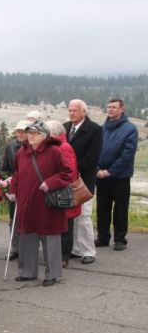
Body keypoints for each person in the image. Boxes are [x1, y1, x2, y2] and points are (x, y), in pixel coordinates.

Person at [7, 121, 72, 287]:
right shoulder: (22, 152)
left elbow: (67, 174)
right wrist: (13, 190)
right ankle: (27, 272)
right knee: (27, 237)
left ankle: (53, 274)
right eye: (29, 133)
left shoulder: (55, 151)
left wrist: (50, 182)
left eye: (35, 133)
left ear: (44, 136)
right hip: (27, 203)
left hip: (47, 203)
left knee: (50, 239)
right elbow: (17, 174)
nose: (31, 136)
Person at [95, 98, 138, 251]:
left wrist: (110, 171)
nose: (111, 110)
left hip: (120, 177)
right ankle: (103, 237)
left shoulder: (130, 129)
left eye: (114, 107)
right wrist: (98, 169)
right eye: (109, 107)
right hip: (101, 176)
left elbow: (127, 155)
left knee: (120, 209)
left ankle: (120, 240)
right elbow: (95, 150)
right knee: (102, 208)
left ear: (122, 109)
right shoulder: (102, 128)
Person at [63, 99, 101, 264]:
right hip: (66, 179)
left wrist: (74, 170)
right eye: (70, 110)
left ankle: (88, 251)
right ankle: (75, 249)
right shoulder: (65, 127)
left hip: (83, 179)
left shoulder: (94, 130)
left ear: (84, 112)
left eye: (75, 111)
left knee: (83, 215)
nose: (71, 113)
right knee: (71, 215)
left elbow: (93, 156)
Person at [46, 120, 81, 268]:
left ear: (54, 134)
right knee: (58, 225)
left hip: (64, 193)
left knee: (66, 226)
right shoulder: (54, 146)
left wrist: (52, 180)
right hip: (56, 191)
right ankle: (56, 255)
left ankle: (64, 256)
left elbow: (70, 172)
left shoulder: (64, 147)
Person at [0, 120, 30, 260]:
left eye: (23, 131)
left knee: (28, 219)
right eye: (18, 131)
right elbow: (5, 168)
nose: (20, 134)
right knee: (14, 219)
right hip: (14, 186)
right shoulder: (11, 146)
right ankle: (15, 248)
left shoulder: (34, 146)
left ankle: (28, 249)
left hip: (29, 187)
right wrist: (7, 182)